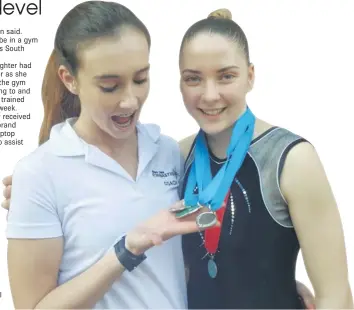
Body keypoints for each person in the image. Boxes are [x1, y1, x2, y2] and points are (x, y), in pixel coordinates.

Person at [1, 1, 316, 309]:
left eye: (140, 79)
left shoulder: (169, 152)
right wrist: (128, 247)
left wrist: (273, 285)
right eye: (110, 86)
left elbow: (184, 261)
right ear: (69, 79)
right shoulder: (40, 173)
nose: (130, 101)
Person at [177, 8, 353, 310]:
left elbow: (335, 297)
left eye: (226, 76)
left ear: (250, 76)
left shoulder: (291, 160)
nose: (209, 95)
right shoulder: (179, 156)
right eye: (193, 79)